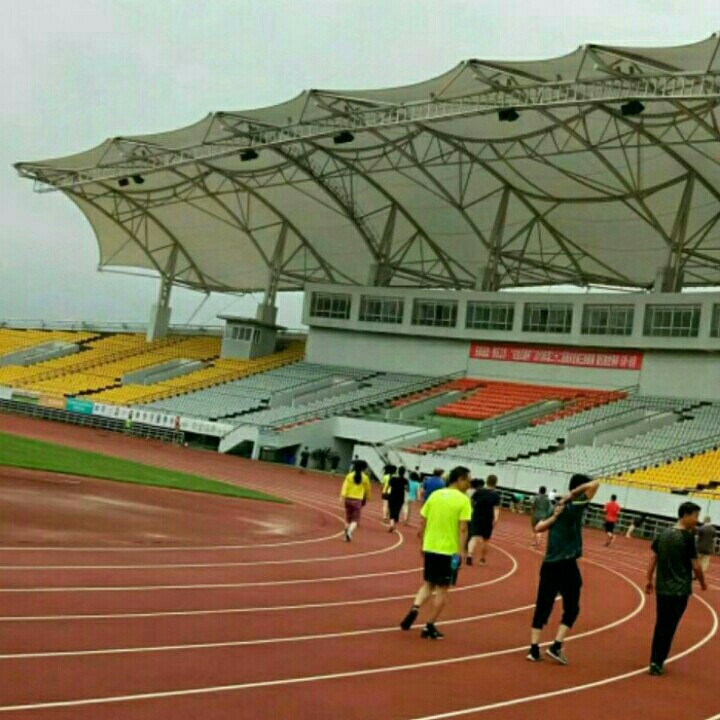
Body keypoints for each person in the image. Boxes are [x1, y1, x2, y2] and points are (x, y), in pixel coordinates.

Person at [527, 474, 600, 665]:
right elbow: (596, 484)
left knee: (543, 605)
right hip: (566, 564)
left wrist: (554, 517)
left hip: (549, 564)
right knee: (572, 608)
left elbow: (538, 527)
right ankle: (556, 646)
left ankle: (533, 648)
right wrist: (574, 493)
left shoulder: (556, 506)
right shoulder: (575, 505)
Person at [399, 466, 472, 639]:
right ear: (460, 480)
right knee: (442, 589)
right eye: (468, 481)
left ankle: (416, 606)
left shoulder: (435, 495)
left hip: (431, 546)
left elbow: (423, 522)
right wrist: (461, 551)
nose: (469, 484)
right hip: (448, 551)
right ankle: (429, 625)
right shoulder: (463, 500)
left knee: (428, 584)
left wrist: (422, 544)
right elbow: (463, 528)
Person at [646, 501, 707, 676]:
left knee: (661, 624)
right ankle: (658, 662)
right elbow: (696, 565)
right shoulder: (687, 538)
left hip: (662, 588)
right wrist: (702, 582)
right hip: (679, 590)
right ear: (685, 515)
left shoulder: (663, 533)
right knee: (669, 626)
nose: (697, 520)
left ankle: (655, 660)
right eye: (695, 516)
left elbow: (653, 557)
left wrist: (649, 579)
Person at [467, 475, 501, 567]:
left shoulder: (479, 491)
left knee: (474, 537)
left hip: (477, 516)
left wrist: (474, 508)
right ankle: (482, 559)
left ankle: (469, 555)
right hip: (488, 518)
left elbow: (471, 501)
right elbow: (496, 509)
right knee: (485, 540)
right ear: (495, 483)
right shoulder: (496, 496)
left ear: (487, 481)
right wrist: (496, 519)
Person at [339, 460, 372, 542]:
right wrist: (368, 497)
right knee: (355, 520)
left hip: (348, 499)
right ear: (364, 468)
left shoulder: (349, 476)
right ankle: (349, 532)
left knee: (347, 519)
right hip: (357, 500)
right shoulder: (365, 477)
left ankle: (345, 536)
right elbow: (368, 489)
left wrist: (342, 496)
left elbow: (345, 486)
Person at [387, 467, 409, 532]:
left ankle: (391, 524)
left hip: (392, 496)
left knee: (392, 510)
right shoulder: (405, 480)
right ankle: (393, 525)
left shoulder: (393, 479)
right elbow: (407, 489)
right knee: (397, 510)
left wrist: (385, 491)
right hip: (400, 497)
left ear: (398, 471)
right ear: (404, 473)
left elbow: (388, 486)